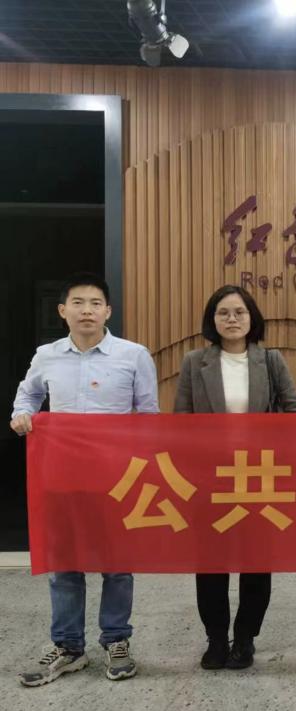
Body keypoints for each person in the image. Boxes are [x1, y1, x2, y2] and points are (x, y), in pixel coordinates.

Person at [10, 272, 158, 687]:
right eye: (78, 303)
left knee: (117, 564)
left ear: (108, 311)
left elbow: (148, 416)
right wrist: (22, 415)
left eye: (95, 303)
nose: (87, 310)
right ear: (63, 311)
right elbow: (27, 395)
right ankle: (68, 646)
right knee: (64, 564)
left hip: (116, 478)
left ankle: (116, 640)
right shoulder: (46, 355)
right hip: (61, 476)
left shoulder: (133, 355)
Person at [174, 285, 296, 671]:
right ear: (212, 320)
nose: (232, 319)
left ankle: (245, 638)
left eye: (239, 312)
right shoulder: (194, 362)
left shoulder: (271, 360)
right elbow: (181, 422)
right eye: (223, 313)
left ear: (252, 318)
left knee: (256, 562)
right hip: (209, 479)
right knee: (210, 564)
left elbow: (295, 412)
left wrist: (272, 444)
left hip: (259, 476)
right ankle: (216, 639)